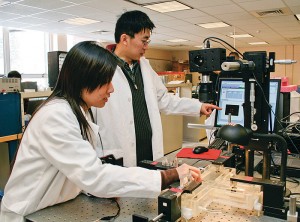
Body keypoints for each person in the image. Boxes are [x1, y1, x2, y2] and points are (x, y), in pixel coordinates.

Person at [0, 41, 201, 222]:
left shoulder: (79, 111)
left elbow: (83, 169)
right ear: (84, 80)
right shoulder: (55, 116)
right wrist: (168, 176)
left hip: (53, 207)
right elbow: (94, 176)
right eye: (106, 81)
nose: (111, 89)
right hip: (27, 213)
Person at [93, 10, 221, 167]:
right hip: (117, 154)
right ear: (125, 39)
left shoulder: (144, 67)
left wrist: (198, 106)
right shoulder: (100, 68)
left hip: (148, 151)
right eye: (144, 41)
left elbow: (164, 100)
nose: (146, 47)